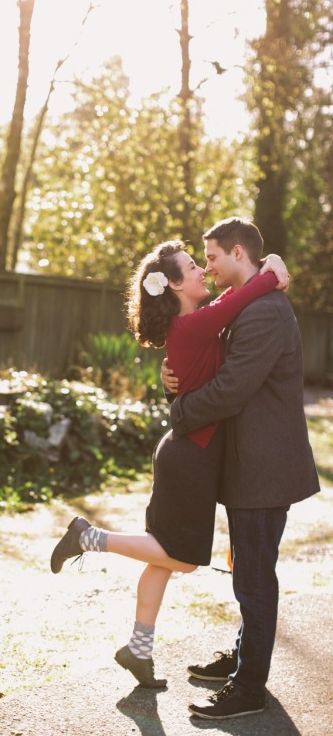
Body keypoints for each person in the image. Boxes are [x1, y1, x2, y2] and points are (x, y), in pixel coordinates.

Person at [50, 237, 289, 690]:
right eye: (193, 266)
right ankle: (89, 536)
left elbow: (229, 300)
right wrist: (272, 269)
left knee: (162, 557)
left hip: (185, 449)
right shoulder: (197, 325)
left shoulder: (193, 324)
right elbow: (249, 292)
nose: (202, 270)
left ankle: (138, 651)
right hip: (191, 456)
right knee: (180, 560)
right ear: (176, 285)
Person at [161, 217, 320, 720]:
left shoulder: (265, 312)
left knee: (253, 577)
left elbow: (231, 388)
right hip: (246, 466)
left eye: (210, 257)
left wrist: (180, 412)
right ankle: (246, 657)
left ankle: (249, 688)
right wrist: (171, 378)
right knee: (247, 571)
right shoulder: (248, 304)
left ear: (236, 252)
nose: (206, 266)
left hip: (264, 468)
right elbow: (202, 354)